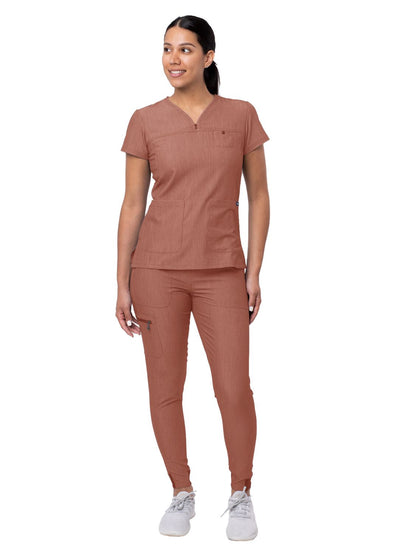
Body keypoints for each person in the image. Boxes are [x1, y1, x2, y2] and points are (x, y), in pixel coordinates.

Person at [116, 15, 270, 541]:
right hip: (155, 272)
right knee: (165, 389)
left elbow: (259, 196)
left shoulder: (241, 115)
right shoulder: (145, 121)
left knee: (233, 389)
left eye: (185, 49)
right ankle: (181, 490)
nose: (173, 59)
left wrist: (253, 270)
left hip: (222, 271)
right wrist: (121, 281)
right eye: (166, 49)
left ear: (208, 56)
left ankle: (241, 492)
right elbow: (132, 205)